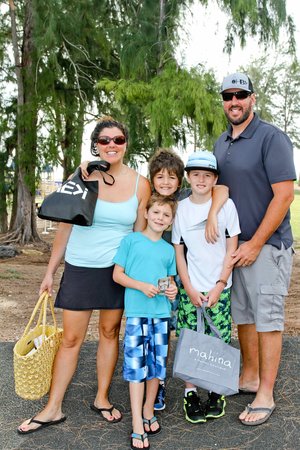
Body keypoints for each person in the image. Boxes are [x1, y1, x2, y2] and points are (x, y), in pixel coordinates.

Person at [17, 116, 151, 434]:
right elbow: (64, 226)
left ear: (125, 144)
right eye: (104, 141)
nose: (112, 146)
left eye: (118, 140)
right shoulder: (81, 176)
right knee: (71, 340)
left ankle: (102, 398)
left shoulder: (139, 184)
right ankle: (53, 408)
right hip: (79, 267)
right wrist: (50, 271)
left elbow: (139, 235)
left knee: (109, 333)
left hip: (117, 272)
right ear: (96, 145)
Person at [214, 72, 296, 426]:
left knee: (267, 319)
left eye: (241, 95)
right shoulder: (221, 142)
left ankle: (265, 393)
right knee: (243, 316)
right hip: (235, 249)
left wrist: (256, 243)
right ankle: (248, 377)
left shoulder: (271, 137)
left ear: (253, 98)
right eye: (228, 96)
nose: (235, 101)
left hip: (266, 247)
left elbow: (284, 195)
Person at [148, 147, 229, 411]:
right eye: (160, 177)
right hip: (154, 274)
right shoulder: (148, 201)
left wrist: (214, 214)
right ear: (152, 179)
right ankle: (156, 383)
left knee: (179, 328)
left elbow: (222, 189)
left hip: (180, 277)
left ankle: (193, 380)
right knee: (158, 329)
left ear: (180, 180)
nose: (166, 182)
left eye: (172, 177)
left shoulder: (184, 199)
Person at [172, 150, 240, 424]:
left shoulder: (227, 206)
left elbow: (232, 247)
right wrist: (188, 287)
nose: (201, 179)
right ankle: (190, 392)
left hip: (219, 289)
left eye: (208, 175)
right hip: (193, 288)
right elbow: (179, 251)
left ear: (215, 179)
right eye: (196, 174)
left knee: (218, 338)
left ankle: (214, 389)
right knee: (191, 340)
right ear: (188, 177)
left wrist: (220, 284)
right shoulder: (182, 209)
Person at [113, 193, 178, 450]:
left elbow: (169, 281)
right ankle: (137, 422)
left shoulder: (168, 249)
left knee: (156, 368)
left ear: (171, 222)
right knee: (137, 368)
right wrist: (141, 286)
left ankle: (149, 409)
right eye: (157, 213)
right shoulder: (131, 241)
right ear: (146, 213)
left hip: (161, 316)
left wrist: (171, 290)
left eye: (166, 215)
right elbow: (118, 275)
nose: (160, 218)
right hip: (138, 315)